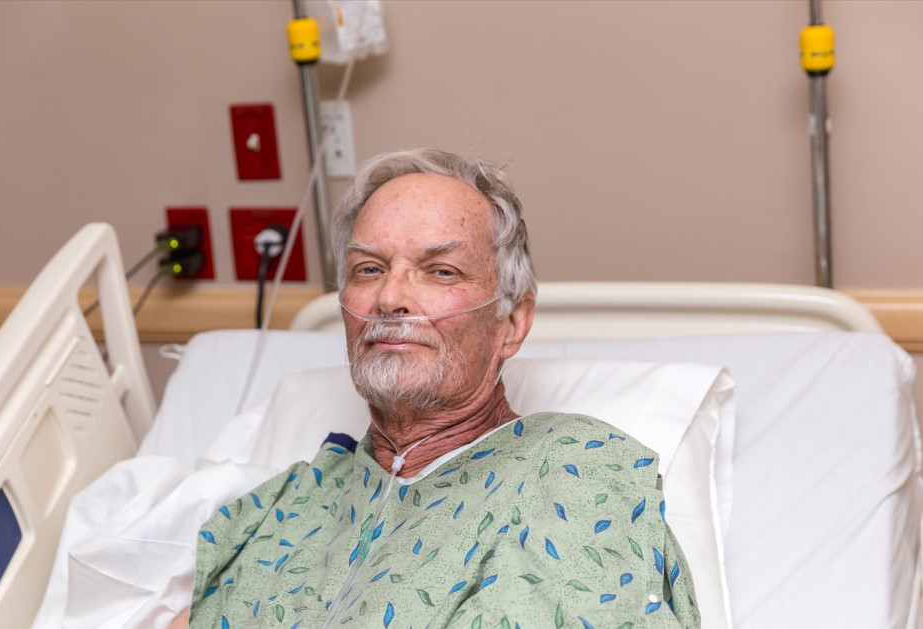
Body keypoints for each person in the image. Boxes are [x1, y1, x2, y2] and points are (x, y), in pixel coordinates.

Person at [176, 149, 700, 628]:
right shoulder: (291, 502)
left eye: (440, 271)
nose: (389, 297)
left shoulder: (573, 470)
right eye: (368, 268)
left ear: (511, 323)